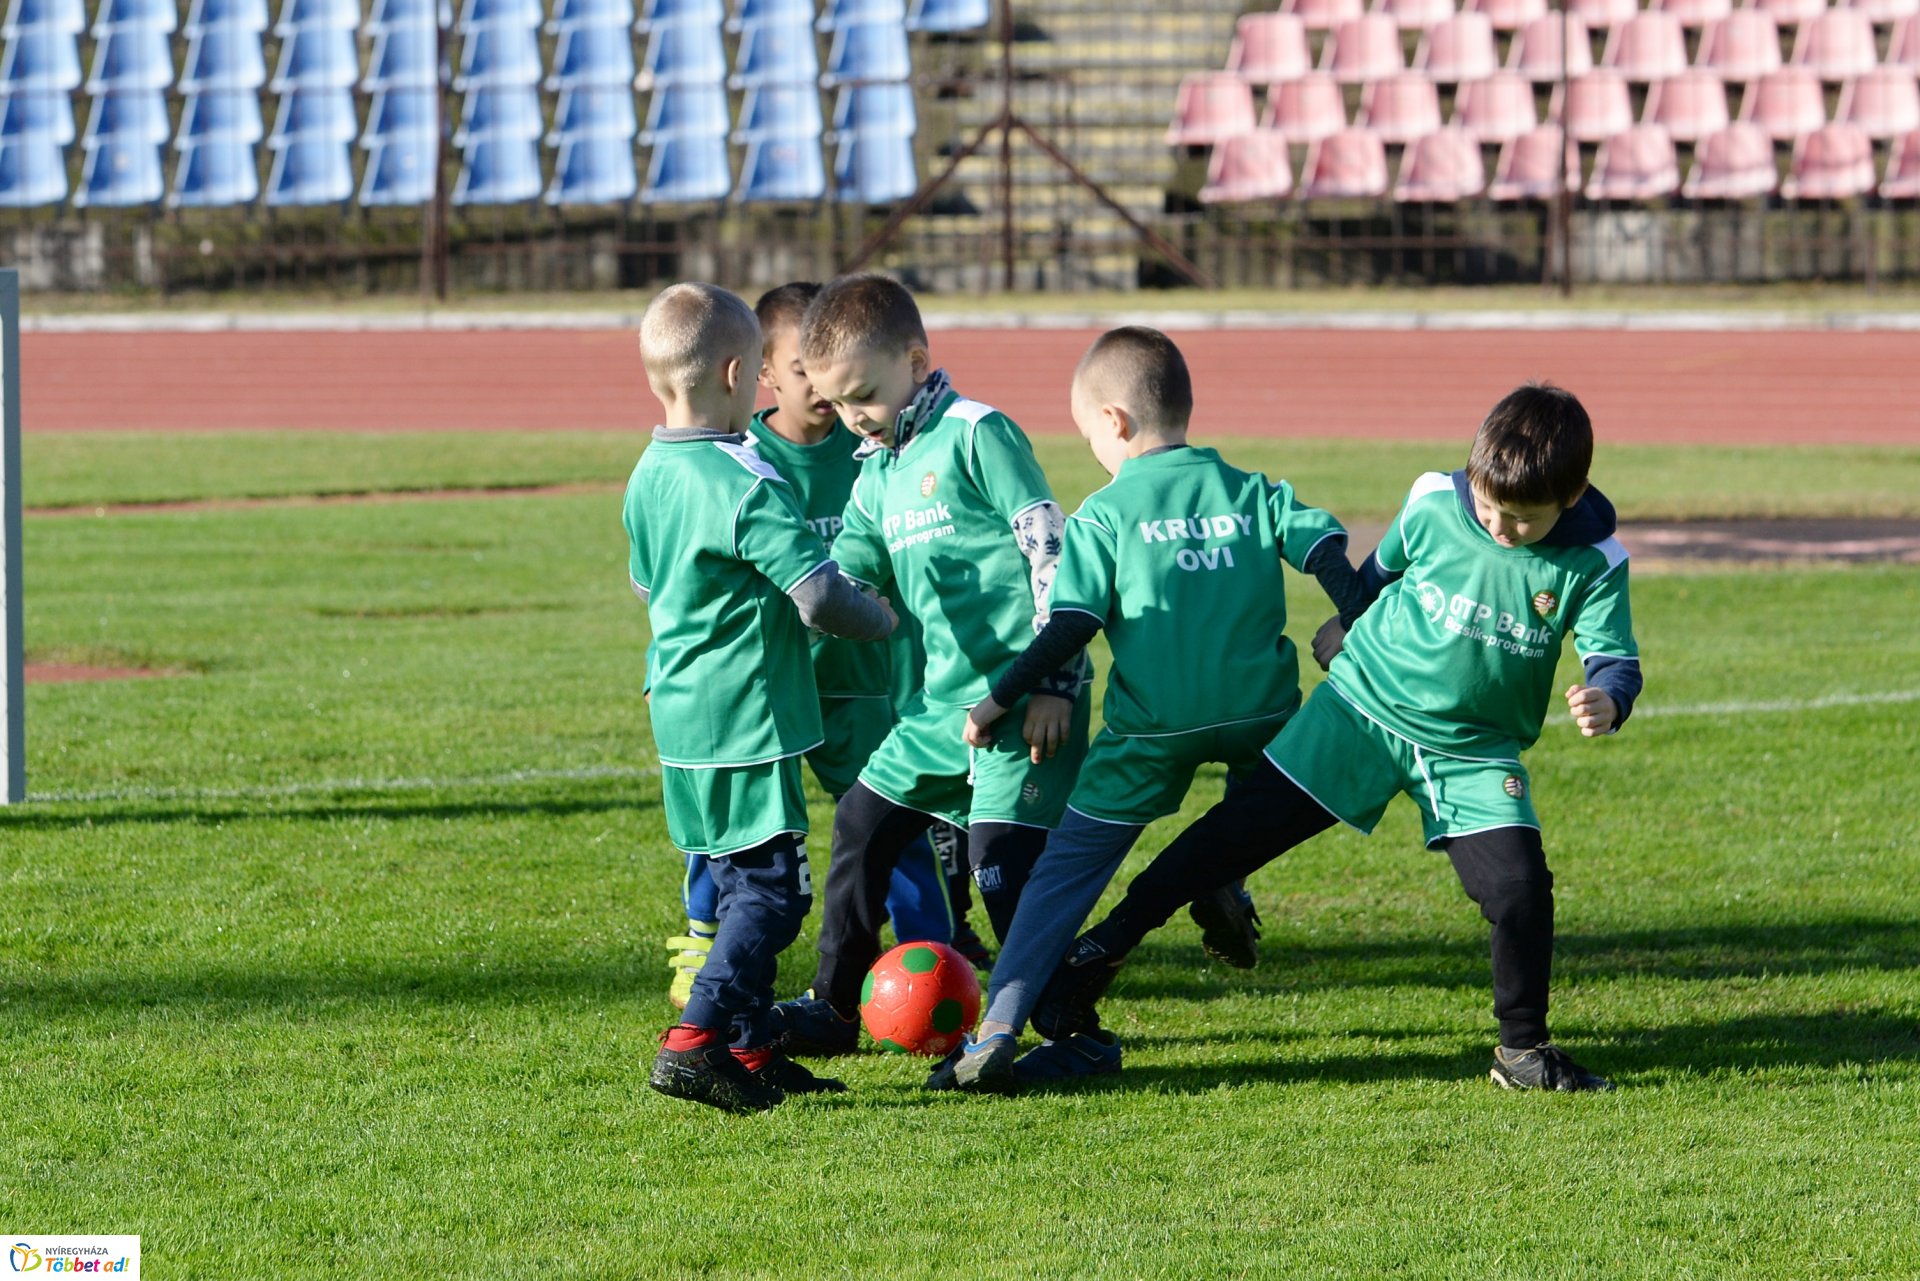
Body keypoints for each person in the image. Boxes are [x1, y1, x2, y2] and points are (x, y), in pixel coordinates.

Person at [1032, 382, 1642, 1093]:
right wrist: (1349, 616)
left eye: (1520, 520)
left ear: (1568, 501)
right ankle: (1092, 960)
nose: (1498, 527)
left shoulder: (1597, 560)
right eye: (1487, 507)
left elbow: (1615, 657)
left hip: (1472, 750)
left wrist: (1608, 697)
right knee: (1229, 838)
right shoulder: (1433, 500)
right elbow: (1383, 572)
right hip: (1360, 709)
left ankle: (1523, 1051)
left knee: (1520, 886)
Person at [926, 326, 1367, 1091]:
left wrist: (1000, 694)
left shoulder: (1104, 512)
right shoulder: (1252, 489)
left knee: (1065, 873)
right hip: (1264, 714)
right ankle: (1221, 880)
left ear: (1116, 421)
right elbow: (1328, 549)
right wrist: (1355, 619)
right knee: (1251, 791)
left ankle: (997, 1026)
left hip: (1155, 728)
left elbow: (1071, 625)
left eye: (1087, 432)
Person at [771, 273, 1094, 1057]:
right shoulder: (874, 472)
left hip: (1025, 704)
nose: (853, 417)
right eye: (839, 402)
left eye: (865, 396)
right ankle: (834, 1006)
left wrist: (1055, 679)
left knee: (999, 870)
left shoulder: (979, 433)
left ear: (917, 361)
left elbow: (1053, 548)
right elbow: (848, 577)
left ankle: (1068, 1030)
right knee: (860, 822)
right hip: (938, 712)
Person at [627, 282, 896, 1113]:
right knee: (776, 891)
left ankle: (745, 1043)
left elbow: (648, 585)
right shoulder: (741, 482)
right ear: (742, 372)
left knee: (741, 878)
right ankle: (695, 1043)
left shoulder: (648, 472)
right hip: (744, 715)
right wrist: (886, 615)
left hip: (678, 710)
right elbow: (817, 596)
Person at [662, 282, 957, 1009]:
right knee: (729, 824)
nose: (821, 391)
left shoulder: (873, 446)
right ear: (763, 371)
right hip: (761, 688)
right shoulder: (736, 460)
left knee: (892, 816)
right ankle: (703, 938)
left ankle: (932, 956)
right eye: (800, 370)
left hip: (857, 682)